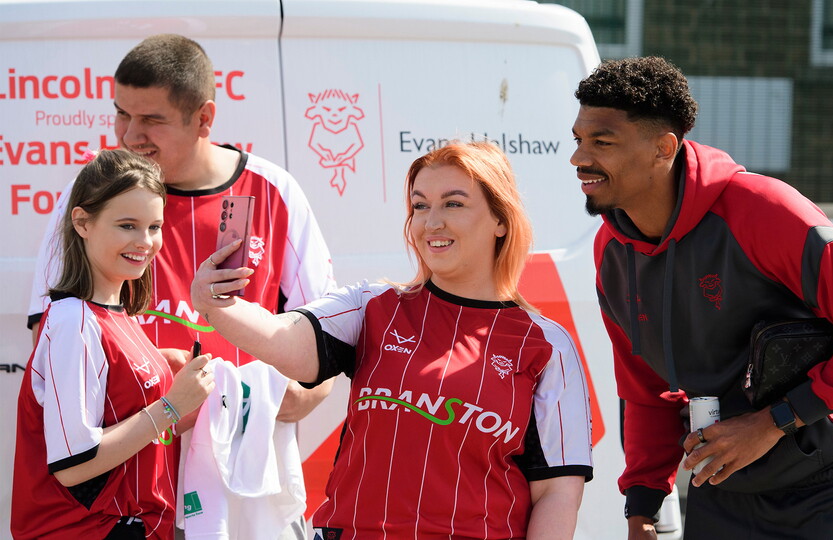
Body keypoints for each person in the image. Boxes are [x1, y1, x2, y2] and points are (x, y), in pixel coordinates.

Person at [570, 56, 833, 539]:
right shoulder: (611, 251)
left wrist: (774, 421)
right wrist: (643, 503)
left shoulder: (763, 210)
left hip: (824, 484)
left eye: (602, 142)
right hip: (720, 487)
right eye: (578, 140)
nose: (578, 158)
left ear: (663, 148)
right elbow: (646, 390)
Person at [188, 141, 594, 539]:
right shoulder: (371, 306)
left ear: (500, 220)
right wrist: (216, 304)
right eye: (420, 205)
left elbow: (557, 491)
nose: (431, 222)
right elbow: (285, 341)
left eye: (453, 203)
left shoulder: (546, 344)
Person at [26, 34, 337, 537]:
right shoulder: (90, 194)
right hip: (130, 490)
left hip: (242, 481)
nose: (129, 134)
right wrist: (162, 404)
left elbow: (326, 332)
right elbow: (51, 336)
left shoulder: (274, 190)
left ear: (204, 119)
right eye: (121, 114)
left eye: (151, 119)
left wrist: (306, 393)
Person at [12, 149, 215, 539]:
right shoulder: (73, 318)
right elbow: (74, 464)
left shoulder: (116, 314)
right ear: (82, 222)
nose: (145, 241)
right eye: (127, 225)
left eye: (154, 226)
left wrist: (161, 374)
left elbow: (127, 427)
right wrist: (171, 405)